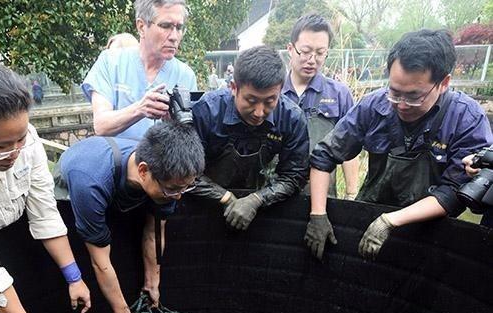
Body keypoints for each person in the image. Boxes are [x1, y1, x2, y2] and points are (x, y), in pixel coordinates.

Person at [309, 29, 493, 261]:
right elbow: (323, 156)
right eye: (394, 93)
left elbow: (454, 192)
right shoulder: (372, 106)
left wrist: (391, 220)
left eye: (414, 97)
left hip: (429, 229)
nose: (402, 105)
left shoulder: (466, 118)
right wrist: (318, 214)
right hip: (368, 213)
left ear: (443, 83)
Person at [0, 62, 90, 313]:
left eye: (20, 138)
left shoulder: (28, 144)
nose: (15, 151)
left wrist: (74, 277)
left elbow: (44, 213)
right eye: (2, 145)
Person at [60, 122, 204, 313]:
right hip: (71, 183)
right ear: (144, 171)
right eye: (172, 189)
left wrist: (152, 282)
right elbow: (99, 260)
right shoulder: (90, 182)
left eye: (184, 189)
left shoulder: (168, 172)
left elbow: (154, 231)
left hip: (120, 180)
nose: (178, 197)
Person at [191, 45, 309, 233]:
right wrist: (226, 198)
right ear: (233, 88)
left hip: (260, 204)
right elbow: (185, 172)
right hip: (204, 204)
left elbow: (295, 175)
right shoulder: (207, 112)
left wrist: (257, 200)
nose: (259, 112)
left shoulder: (292, 118)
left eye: (270, 101)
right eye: (251, 101)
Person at [82, 0, 197, 141]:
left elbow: (187, 137)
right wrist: (140, 109)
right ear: (141, 27)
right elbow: (101, 125)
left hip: (162, 160)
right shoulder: (110, 62)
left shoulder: (185, 75)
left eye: (179, 28)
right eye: (165, 26)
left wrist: (172, 123)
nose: (174, 37)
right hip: (117, 160)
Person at [283, 14, 359, 201]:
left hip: (324, 198)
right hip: (277, 195)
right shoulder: (273, 93)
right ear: (291, 49)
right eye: (306, 51)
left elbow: (350, 148)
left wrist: (351, 195)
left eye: (320, 53)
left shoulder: (339, 94)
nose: (312, 60)